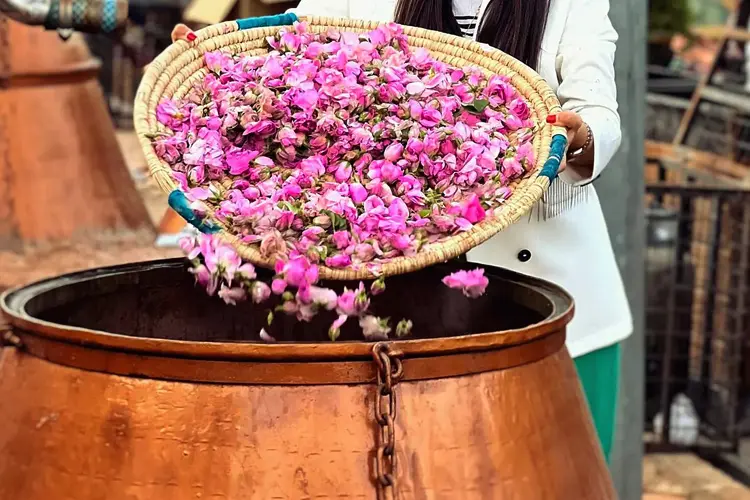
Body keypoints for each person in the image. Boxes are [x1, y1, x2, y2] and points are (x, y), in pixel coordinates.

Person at [168, 0, 632, 462]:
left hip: (553, 295)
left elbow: (598, 112)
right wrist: (217, 68)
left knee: (556, 474)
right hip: (399, 296)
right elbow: (295, 46)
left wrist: (578, 138)